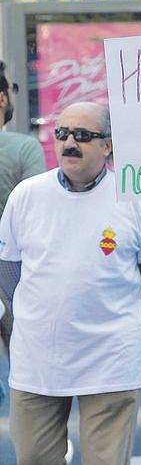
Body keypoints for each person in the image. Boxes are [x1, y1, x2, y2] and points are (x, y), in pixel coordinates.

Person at [0, 102, 141, 465]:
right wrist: (37, 313)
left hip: (110, 358)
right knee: (34, 462)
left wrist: (127, 319)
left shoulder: (136, 198)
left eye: (83, 135)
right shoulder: (27, 196)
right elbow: (8, 270)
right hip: (38, 359)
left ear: (108, 146)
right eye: (62, 134)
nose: (69, 144)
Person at [0, 63, 44, 361]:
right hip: (11, 269)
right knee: (27, 366)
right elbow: (38, 213)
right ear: (3, 98)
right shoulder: (24, 148)